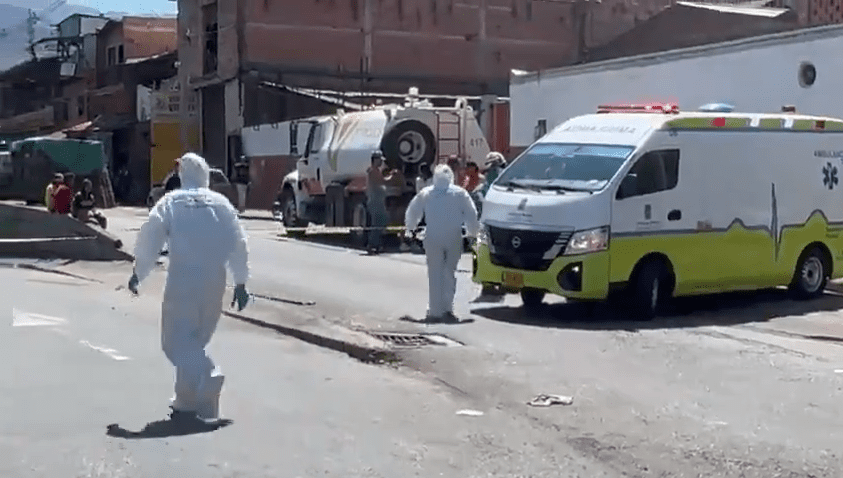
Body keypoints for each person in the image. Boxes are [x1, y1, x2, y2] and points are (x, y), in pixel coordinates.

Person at [128, 152, 250, 423]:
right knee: (194, 341)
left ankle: (210, 375)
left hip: (183, 279)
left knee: (175, 342)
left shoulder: (171, 201)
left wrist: (139, 272)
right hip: (215, 282)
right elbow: (239, 242)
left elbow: (151, 237)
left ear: (182, 174)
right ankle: (188, 401)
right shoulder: (222, 204)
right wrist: (241, 281)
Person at [405, 164, 480, 323]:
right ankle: (447, 309)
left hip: (432, 239)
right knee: (449, 273)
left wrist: (410, 230)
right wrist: (472, 233)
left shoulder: (426, 193)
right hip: (454, 238)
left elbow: (413, 211)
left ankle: (434, 311)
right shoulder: (460, 194)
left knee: (435, 273)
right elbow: (471, 214)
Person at [366, 150, 399, 254]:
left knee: (382, 221)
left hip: (379, 201)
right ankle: (372, 244)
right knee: (377, 223)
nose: (381, 162)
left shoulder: (376, 171)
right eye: (379, 160)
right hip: (375, 202)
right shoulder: (372, 171)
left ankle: (377, 244)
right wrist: (392, 176)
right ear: (375, 160)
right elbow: (383, 181)